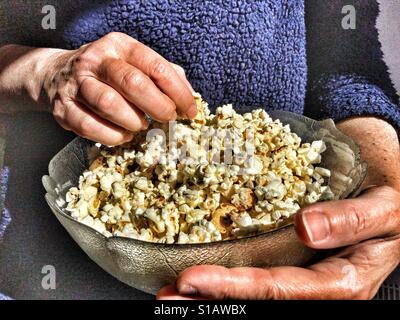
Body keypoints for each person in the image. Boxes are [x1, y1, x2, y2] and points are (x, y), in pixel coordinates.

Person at [0, 0, 399, 299]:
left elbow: (349, 66)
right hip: (48, 261)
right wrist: (42, 72)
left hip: (281, 247)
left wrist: (380, 182)